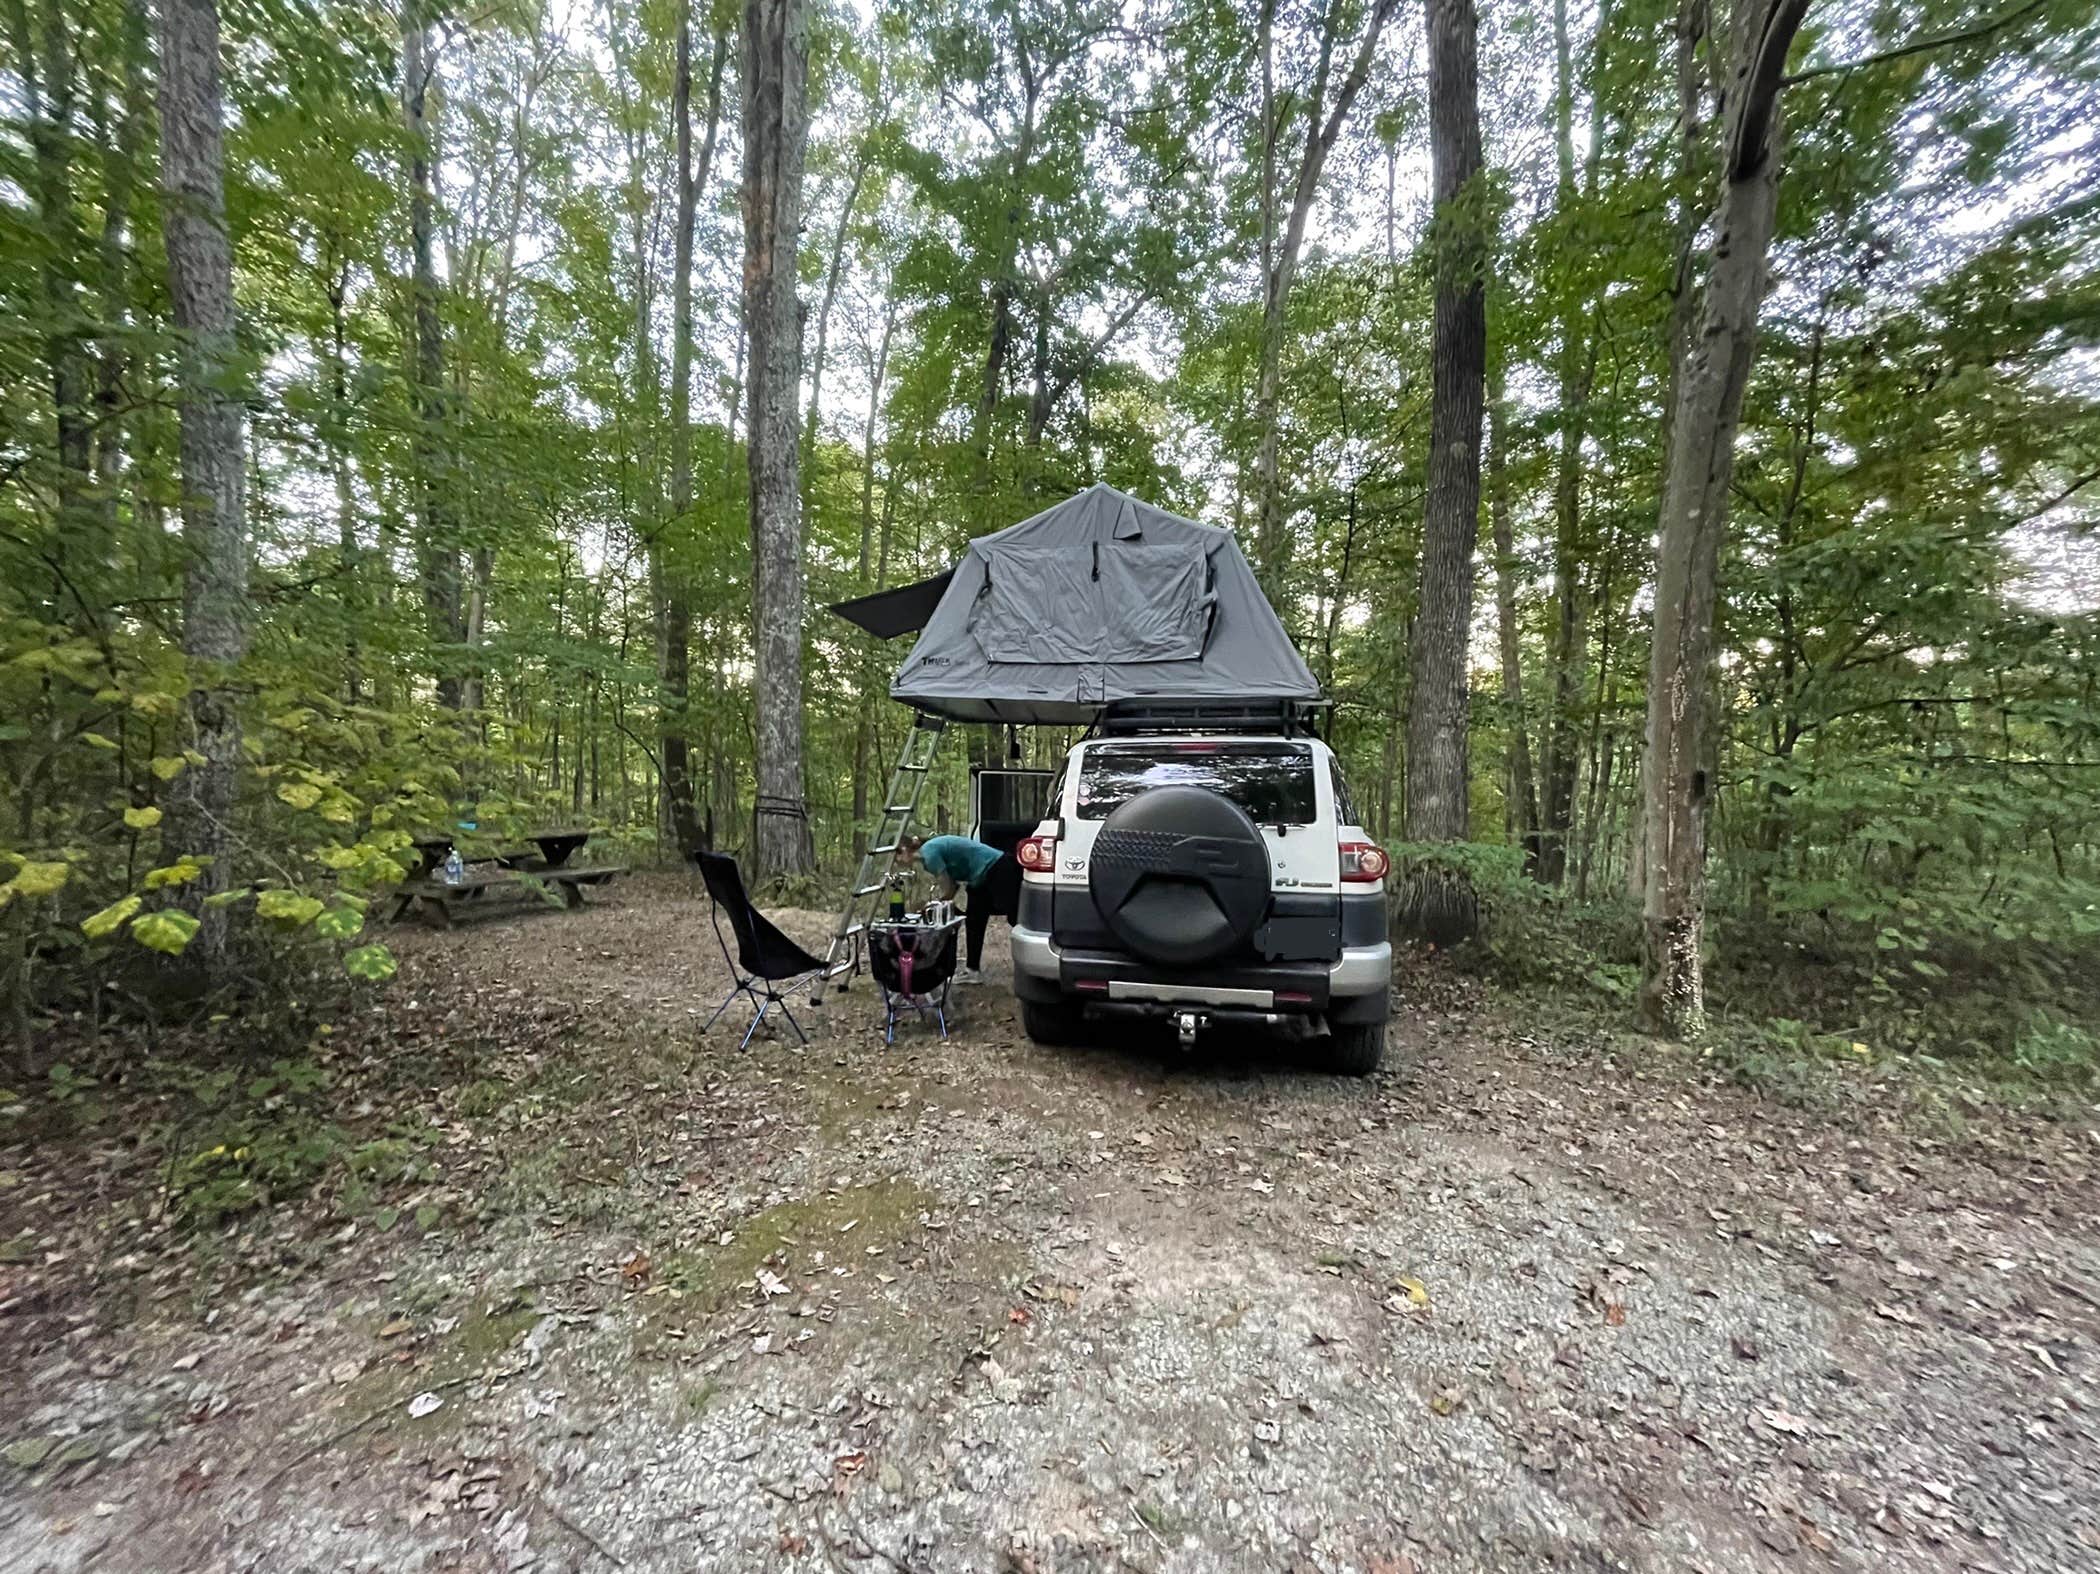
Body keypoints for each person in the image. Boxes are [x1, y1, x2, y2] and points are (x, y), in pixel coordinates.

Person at [900, 833, 1020, 984]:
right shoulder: (927, 854)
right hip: (979, 877)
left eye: (896, 854)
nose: (897, 861)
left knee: (1016, 917)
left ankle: (1035, 962)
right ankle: (972, 971)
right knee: (974, 922)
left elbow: (950, 888)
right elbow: (952, 886)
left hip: (997, 867)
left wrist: (934, 905)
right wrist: (943, 903)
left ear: (904, 849)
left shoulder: (929, 854)